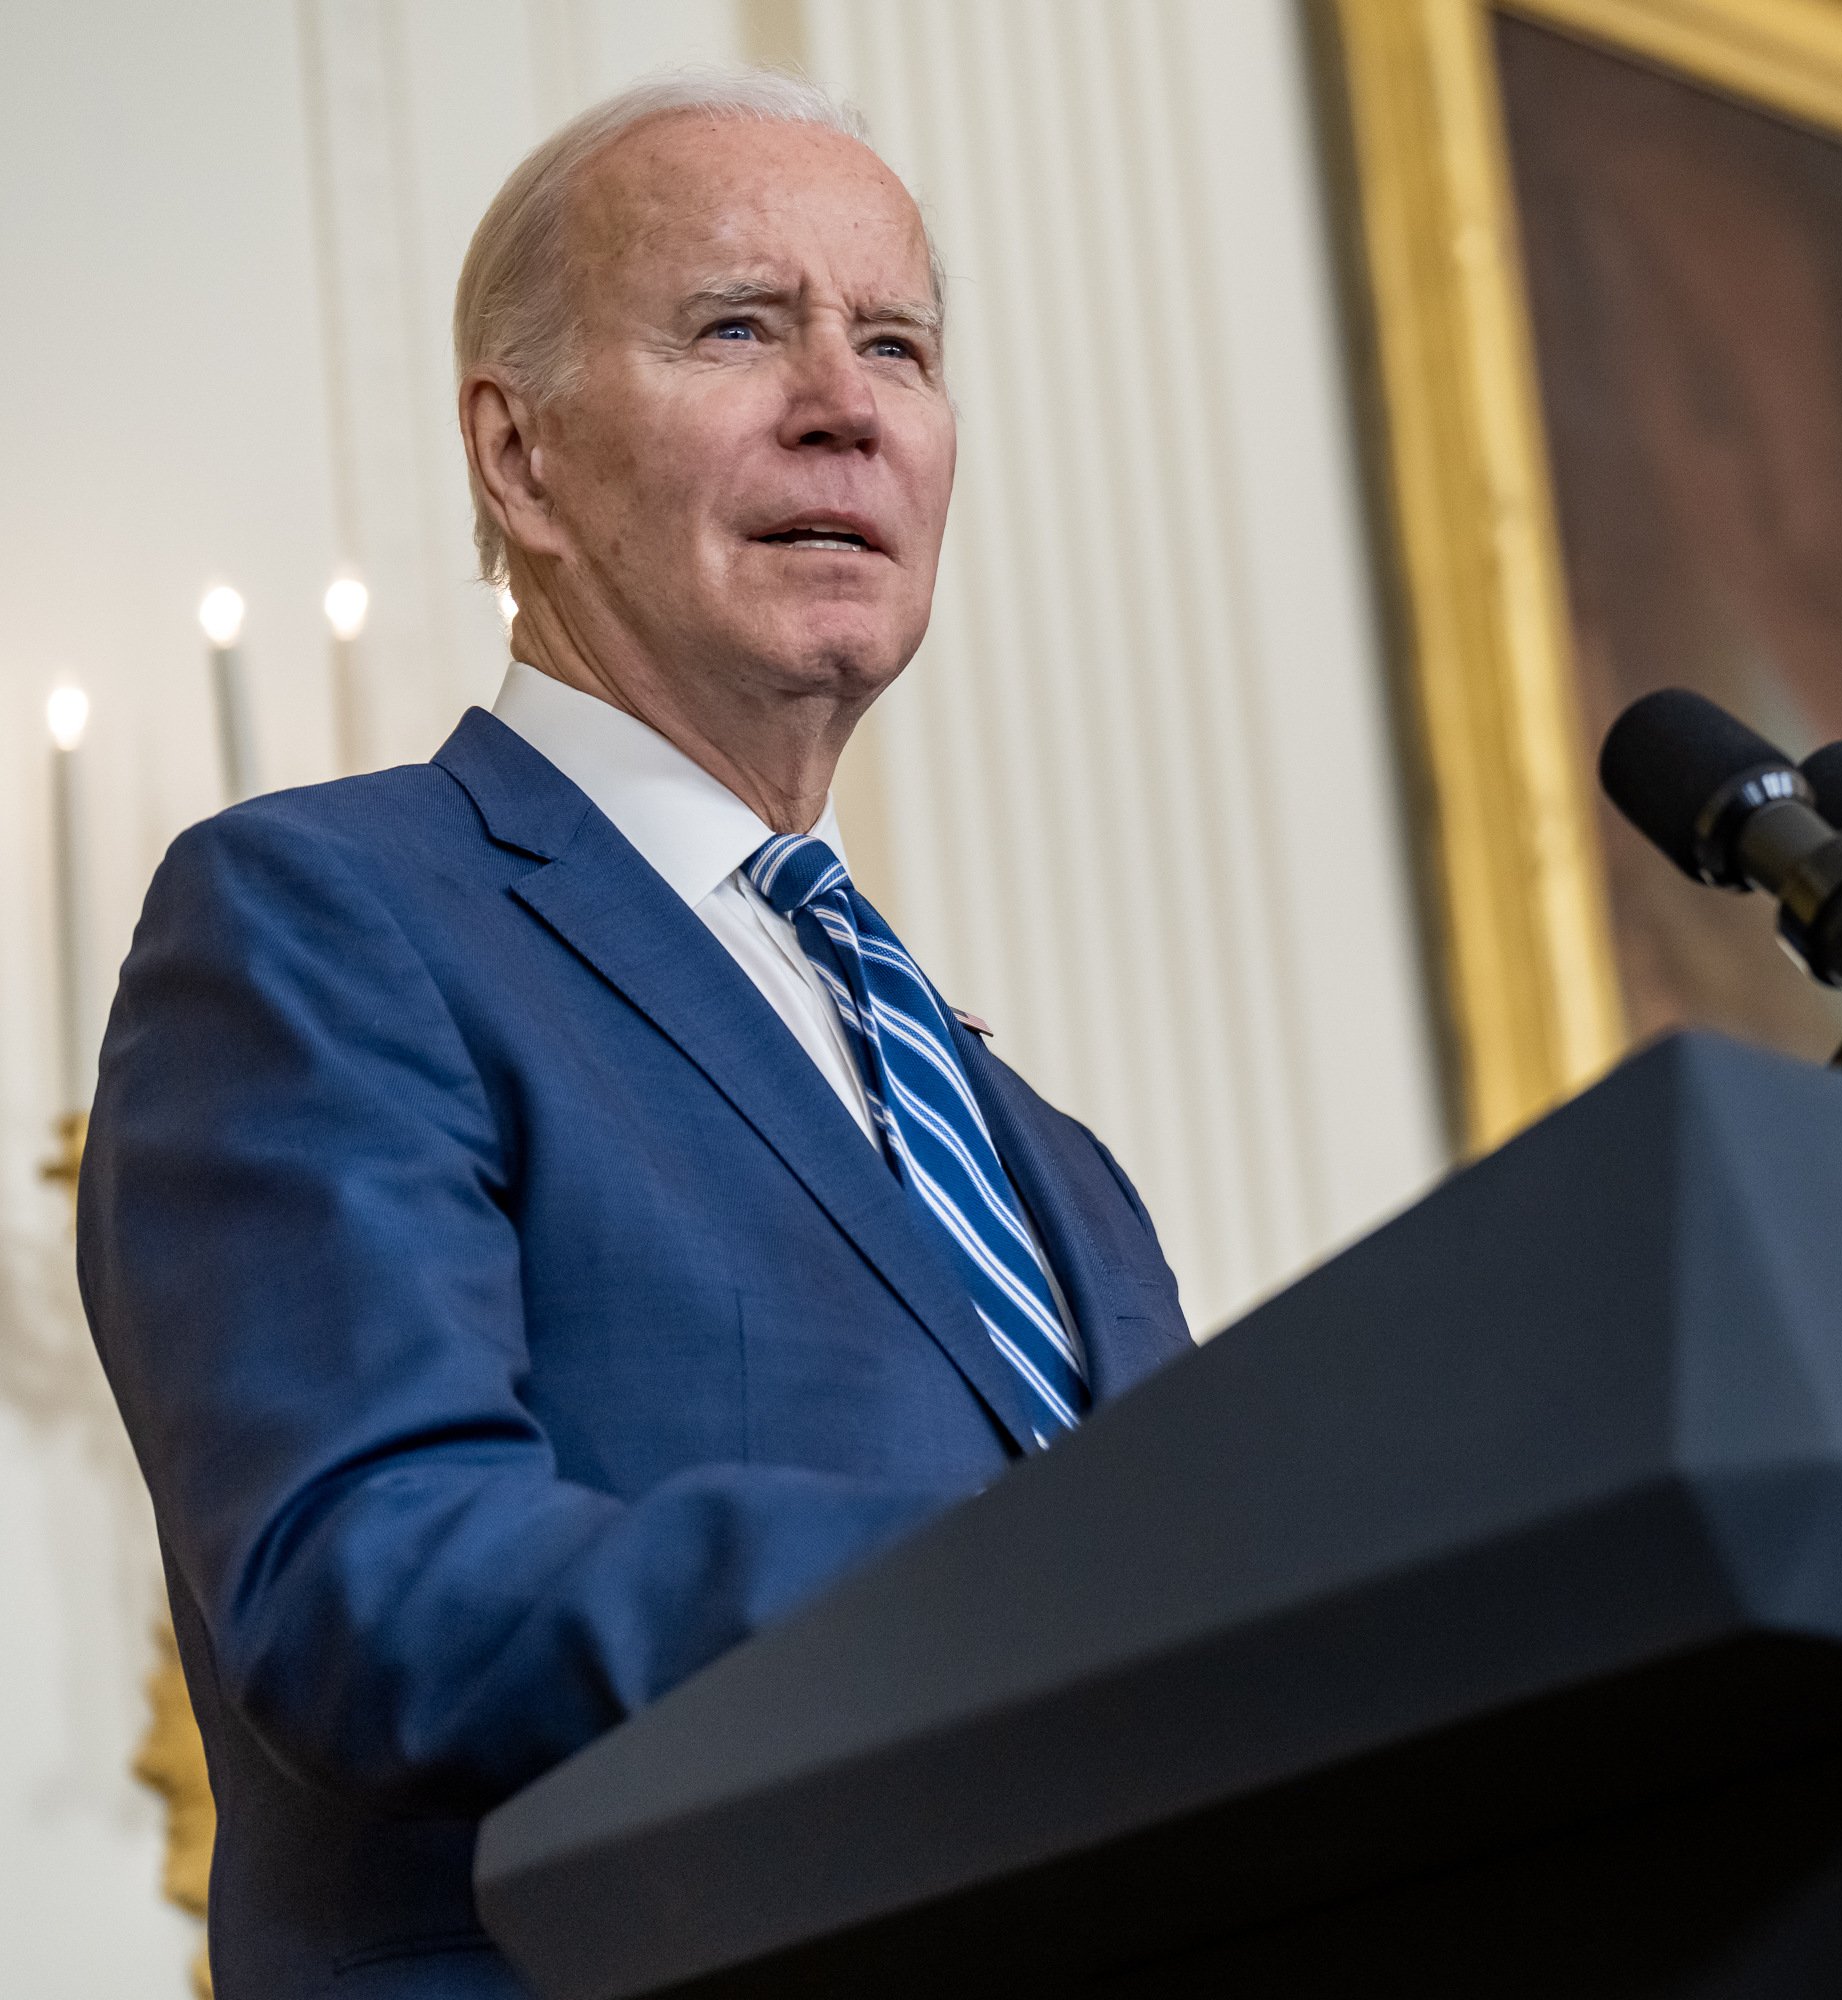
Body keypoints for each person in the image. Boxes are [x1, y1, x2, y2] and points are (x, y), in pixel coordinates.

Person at [78, 72, 1192, 1999]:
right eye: (742, 325)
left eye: (901, 345)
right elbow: (375, 1576)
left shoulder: (1039, 1151)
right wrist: (1012, 1600)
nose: (846, 401)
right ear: (519, 460)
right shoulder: (330, 918)